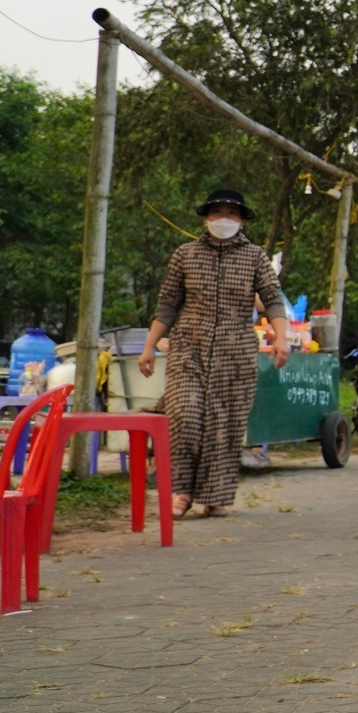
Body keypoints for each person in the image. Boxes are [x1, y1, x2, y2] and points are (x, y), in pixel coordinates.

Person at [137, 189, 290, 519]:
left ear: (242, 220)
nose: (224, 219)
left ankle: (214, 496)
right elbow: (167, 304)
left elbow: (273, 300)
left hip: (235, 350)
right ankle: (182, 492)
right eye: (217, 212)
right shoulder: (185, 254)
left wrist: (282, 338)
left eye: (232, 213)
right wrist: (149, 347)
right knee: (185, 414)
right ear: (206, 218)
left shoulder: (255, 258)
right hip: (189, 345)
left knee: (224, 425)